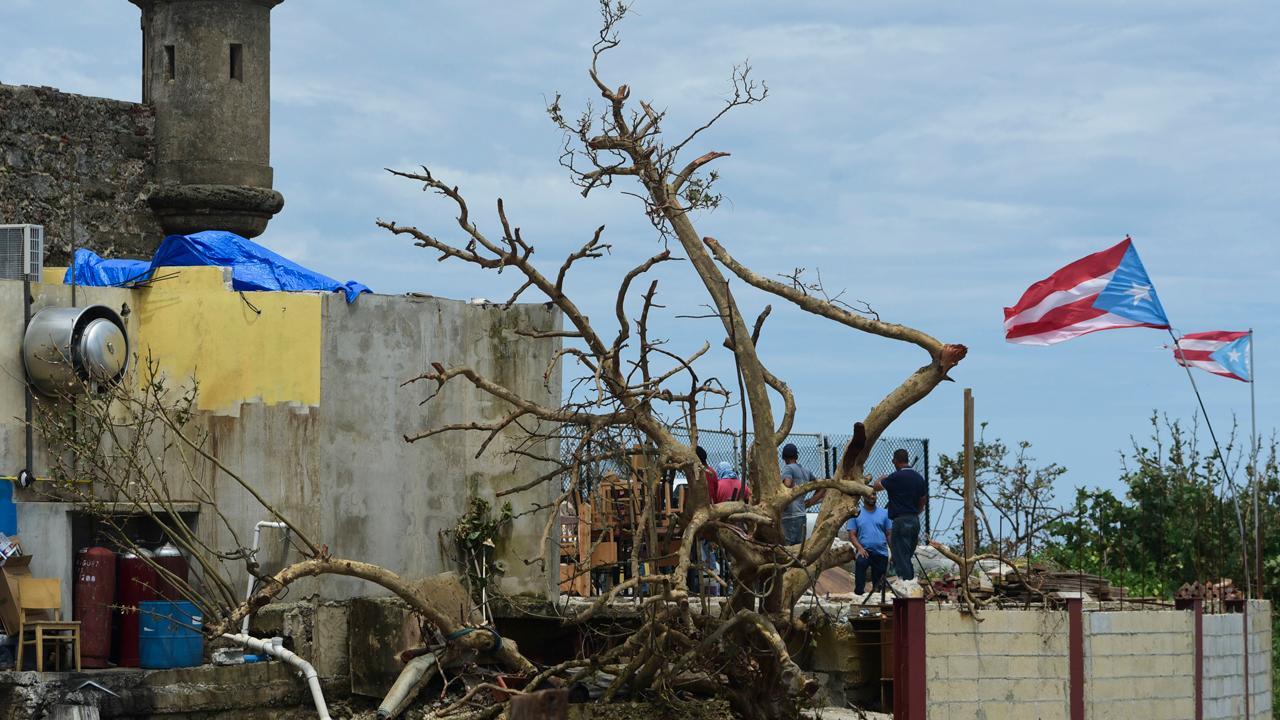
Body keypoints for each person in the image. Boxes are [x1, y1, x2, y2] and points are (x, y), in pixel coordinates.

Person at [872, 449, 927, 581]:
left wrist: (881, 478)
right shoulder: (918, 478)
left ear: (895, 461)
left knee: (900, 556)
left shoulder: (895, 477)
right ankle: (909, 580)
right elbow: (923, 500)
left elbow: (876, 487)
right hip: (914, 520)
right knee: (906, 555)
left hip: (900, 520)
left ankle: (906, 584)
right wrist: (916, 512)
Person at [845, 493, 891, 595]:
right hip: (864, 551)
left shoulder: (885, 513)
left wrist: (893, 551)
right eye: (869, 494)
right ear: (863, 496)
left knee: (878, 586)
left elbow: (889, 534)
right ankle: (859, 596)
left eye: (874, 494)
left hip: (881, 553)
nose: (872, 497)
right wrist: (859, 548)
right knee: (860, 575)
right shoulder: (856, 513)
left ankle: (877, 602)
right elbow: (852, 534)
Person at [779, 443, 819, 545]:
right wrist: (811, 501)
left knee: (788, 550)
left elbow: (787, 484)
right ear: (796, 456)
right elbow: (821, 486)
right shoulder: (806, 471)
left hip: (789, 516)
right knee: (799, 548)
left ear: (784, 457)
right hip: (801, 514)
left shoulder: (788, 468)